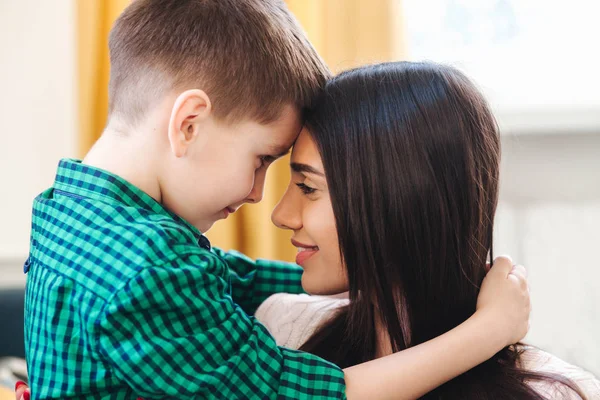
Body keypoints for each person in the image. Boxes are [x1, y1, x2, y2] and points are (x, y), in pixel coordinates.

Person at [21, 1, 532, 399]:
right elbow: (303, 392)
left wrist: (378, 266)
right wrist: (487, 331)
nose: (259, 195)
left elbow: (230, 278)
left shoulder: (72, 209)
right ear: (189, 124)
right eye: (263, 159)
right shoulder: (142, 268)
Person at [259, 61, 600, 399]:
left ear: (400, 198)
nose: (280, 215)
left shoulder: (551, 393)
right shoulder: (281, 331)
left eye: (308, 187)